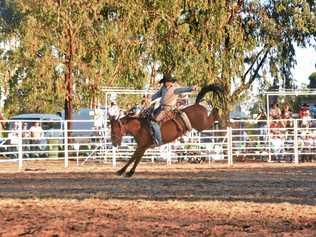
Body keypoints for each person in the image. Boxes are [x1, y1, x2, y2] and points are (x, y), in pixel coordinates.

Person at [150, 74, 197, 146]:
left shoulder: (175, 89)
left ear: (169, 82)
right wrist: (149, 99)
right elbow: (157, 95)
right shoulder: (163, 88)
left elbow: (183, 89)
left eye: (166, 82)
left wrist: (191, 88)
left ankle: (159, 141)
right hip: (160, 107)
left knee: (154, 122)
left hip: (167, 109)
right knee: (149, 116)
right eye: (164, 82)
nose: (164, 83)